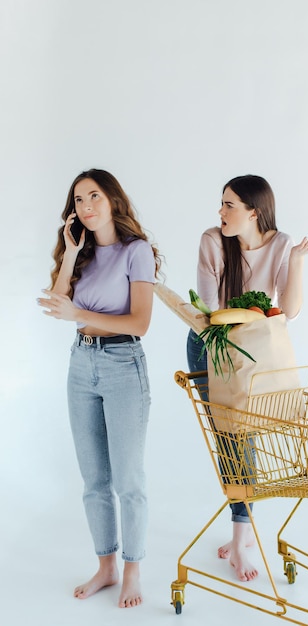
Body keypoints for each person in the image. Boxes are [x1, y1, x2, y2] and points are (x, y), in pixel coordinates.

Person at [186, 174, 308, 583]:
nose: (220, 212)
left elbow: (291, 311)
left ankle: (240, 535)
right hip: (212, 345)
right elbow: (209, 310)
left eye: (228, 205)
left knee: (244, 436)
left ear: (253, 212)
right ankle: (240, 535)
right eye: (221, 203)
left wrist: (295, 260)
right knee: (230, 438)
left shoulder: (281, 244)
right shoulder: (213, 241)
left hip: (257, 349)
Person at [38, 169, 161, 608]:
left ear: (113, 199)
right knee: (94, 480)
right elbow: (58, 304)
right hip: (81, 364)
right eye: (78, 200)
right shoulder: (82, 252)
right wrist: (70, 255)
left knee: (128, 480)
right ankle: (105, 566)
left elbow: (140, 323)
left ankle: (132, 569)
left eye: (94, 196)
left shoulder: (137, 251)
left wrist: (78, 315)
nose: (86, 207)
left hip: (123, 364)